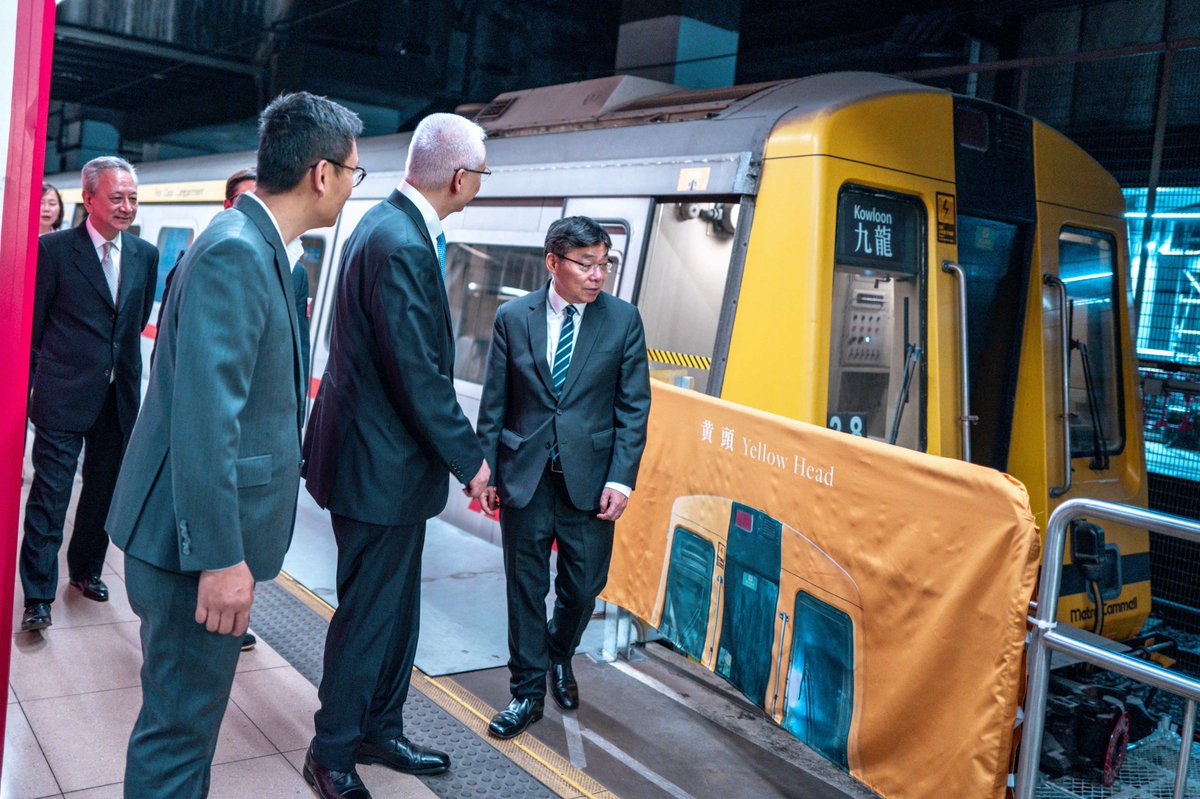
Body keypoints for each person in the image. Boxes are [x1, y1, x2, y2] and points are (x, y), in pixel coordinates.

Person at [104, 91, 362, 799]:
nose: (350, 185)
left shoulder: (254, 246)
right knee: (178, 735)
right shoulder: (238, 254)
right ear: (320, 172)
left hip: (189, 542)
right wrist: (221, 556)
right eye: (352, 172)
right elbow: (205, 421)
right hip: (192, 552)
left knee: (184, 726)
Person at [302, 112, 491, 798]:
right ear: (461, 177)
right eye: (481, 175)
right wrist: (473, 461)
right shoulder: (405, 242)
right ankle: (331, 752)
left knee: (396, 611)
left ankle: (380, 727)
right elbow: (417, 373)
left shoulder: (384, 224)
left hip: (382, 464)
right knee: (370, 615)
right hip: (376, 466)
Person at [477, 215, 651, 739]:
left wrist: (621, 479)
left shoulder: (623, 320)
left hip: (590, 482)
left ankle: (559, 650)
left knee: (583, 587)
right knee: (525, 588)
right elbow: (495, 402)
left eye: (605, 264)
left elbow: (633, 407)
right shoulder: (514, 316)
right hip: (525, 477)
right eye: (587, 264)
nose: (598, 275)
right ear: (553, 262)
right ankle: (526, 692)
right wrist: (484, 469)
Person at [20, 157, 160, 632]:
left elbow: (134, 321)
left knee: (101, 494)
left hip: (116, 398)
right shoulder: (55, 251)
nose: (127, 207)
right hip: (63, 395)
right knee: (51, 496)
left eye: (133, 197)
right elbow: (36, 327)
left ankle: (85, 571)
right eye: (117, 197)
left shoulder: (144, 255)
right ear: (89, 199)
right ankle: (38, 595)